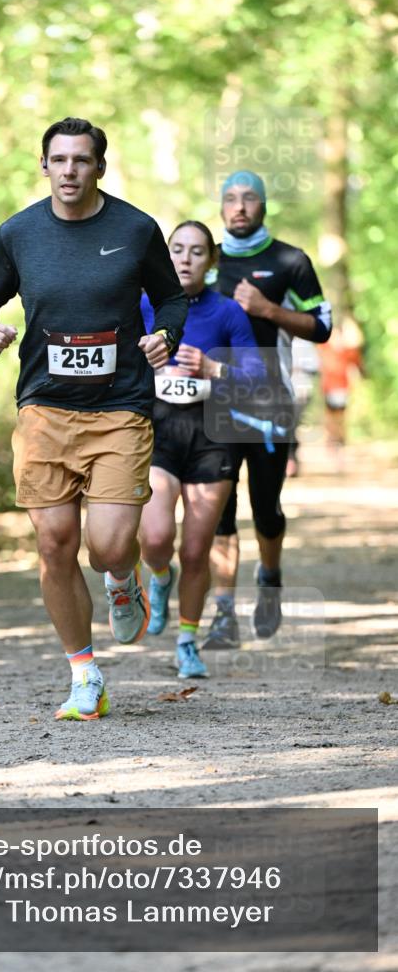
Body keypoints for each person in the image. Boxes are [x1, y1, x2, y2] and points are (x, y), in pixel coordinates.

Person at [0, 117, 188, 720]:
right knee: (54, 542)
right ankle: (84, 674)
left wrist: (166, 332)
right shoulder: (18, 233)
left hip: (119, 407)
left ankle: (122, 579)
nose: (69, 171)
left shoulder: (136, 229)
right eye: (58, 160)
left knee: (108, 547)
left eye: (81, 161)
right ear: (44, 166)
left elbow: (171, 296)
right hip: (44, 407)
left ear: (99, 168)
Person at [205, 170, 332, 650]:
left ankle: (270, 579)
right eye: (230, 199)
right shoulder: (207, 263)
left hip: (268, 402)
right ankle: (222, 615)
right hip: (213, 403)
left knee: (265, 509)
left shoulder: (288, 261)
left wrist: (268, 310)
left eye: (249, 198)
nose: (239, 207)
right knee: (218, 510)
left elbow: (322, 326)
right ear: (220, 207)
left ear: (263, 206)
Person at [139, 221, 264, 678]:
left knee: (195, 550)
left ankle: (188, 640)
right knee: (155, 538)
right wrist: (149, 364)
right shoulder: (143, 305)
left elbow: (257, 378)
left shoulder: (228, 312)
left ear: (212, 261)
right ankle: (157, 576)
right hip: (159, 427)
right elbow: (116, 361)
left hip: (214, 433)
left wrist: (213, 367)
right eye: (177, 250)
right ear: (165, 257)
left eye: (196, 251)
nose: (185, 258)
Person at [318, 317, 364, 471]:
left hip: (342, 389)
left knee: (340, 420)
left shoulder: (346, 349)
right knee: (332, 420)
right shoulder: (326, 346)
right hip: (329, 389)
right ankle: (333, 447)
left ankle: (339, 450)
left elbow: (356, 358)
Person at [285, 336, 320, 478]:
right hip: (281, 393)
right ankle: (289, 460)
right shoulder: (280, 339)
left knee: (292, 426)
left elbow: (315, 367)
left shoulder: (305, 344)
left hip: (300, 392)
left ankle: (292, 460)